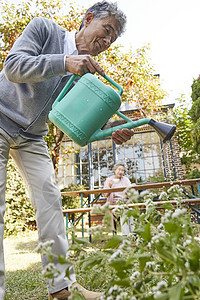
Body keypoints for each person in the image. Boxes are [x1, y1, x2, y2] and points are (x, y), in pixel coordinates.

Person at [0, 1, 135, 299]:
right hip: (1, 116)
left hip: (32, 136)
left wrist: (109, 132)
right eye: (106, 30)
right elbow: (12, 67)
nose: (106, 41)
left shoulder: (85, 74)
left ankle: (61, 288)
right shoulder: (43, 29)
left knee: (50, 203)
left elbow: (71, 124)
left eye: (112, 39)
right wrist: (63, 62)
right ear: (87, 19)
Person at [103, 162, 135, 236]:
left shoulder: (125, 179)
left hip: (127, 202)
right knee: (124, 211)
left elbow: (130, 191)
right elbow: (105, 194)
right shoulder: (109, 180)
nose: (120, 172)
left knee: (132, 212)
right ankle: (126, 236)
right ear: (115, 170)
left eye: (122, 170)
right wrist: (109, 186)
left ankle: (134, 235)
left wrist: (132, 186)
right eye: (119, 169)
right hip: (115, 204)